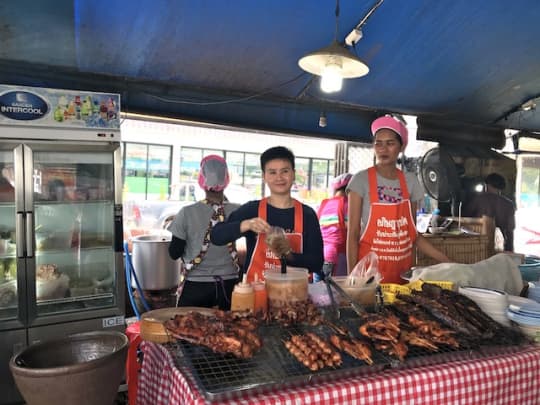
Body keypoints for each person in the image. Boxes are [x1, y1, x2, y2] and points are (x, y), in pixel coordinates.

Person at [347, 115, 450, 284]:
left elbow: (412, 234)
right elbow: (352, 234)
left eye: (390, 143)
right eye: (378, 143)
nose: (383, 149)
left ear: (401, 147)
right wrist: (352, 277)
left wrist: (445, 260)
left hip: (402, 273)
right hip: (368, 277)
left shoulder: (411, 181)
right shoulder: (360, 180)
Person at [211, 146, 324, 282]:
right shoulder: (252, 210)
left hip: (294, 296)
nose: (279, 177)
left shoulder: (307, 214)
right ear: (264, 176)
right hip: (256, 293)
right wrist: (246, 225)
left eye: (285, 171)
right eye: (272, 172)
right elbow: (216, 236)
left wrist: (288, 255)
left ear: (293, 174)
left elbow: (317, 263)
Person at [168, 155, 240, 310]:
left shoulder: (187, 213)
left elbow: (174, 252)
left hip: (196, 287)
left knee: (186, 330)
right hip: (230, 287)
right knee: (229, 331)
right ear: (226, 180)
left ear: (201, 181)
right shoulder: (238, 211)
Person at [463, 172, 515, 251]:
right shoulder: (509, 204)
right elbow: (510, 230)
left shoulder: (479, 199)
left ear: (487, 185)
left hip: (480, 242)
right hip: (500, 244)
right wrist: (510, 249)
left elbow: (464, 217)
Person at [316, 173, 353, 279]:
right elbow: (352, 228)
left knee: (318, 291)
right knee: (335, 292)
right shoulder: (347, 205)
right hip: (336, 257)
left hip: (320, 256)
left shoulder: (323, 204)